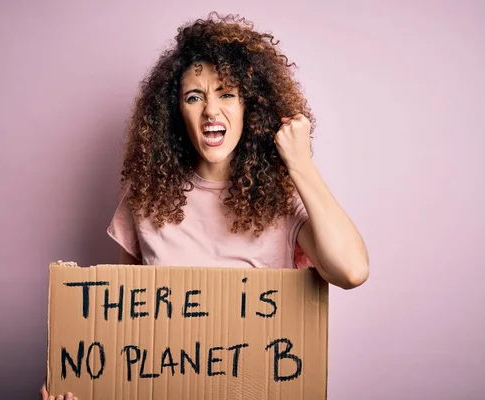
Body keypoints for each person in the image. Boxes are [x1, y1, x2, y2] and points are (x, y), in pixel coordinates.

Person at [41, 12, 369, 400]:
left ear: (251, 106)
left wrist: (299, 163)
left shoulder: (282, 200)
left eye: (226, 93)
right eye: (194, 97)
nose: (211, 111)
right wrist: (84, 389)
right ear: (176, 112)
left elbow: (351, 271)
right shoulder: (146, 200)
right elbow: (123, 331)